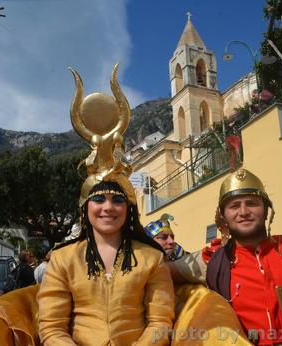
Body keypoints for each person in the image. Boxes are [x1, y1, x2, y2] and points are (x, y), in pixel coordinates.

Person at [37, 64, 175, 346]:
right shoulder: (63, 260)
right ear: (85, 208)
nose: (108, 207)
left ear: (129, 208)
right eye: (98, 199)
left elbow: (160, 323)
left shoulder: (152, 258)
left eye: (117, 200)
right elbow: (51, 329)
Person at [169, 168, 282, 345]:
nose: (244, 211)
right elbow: (158, 273)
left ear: (266, 209)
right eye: (234, 206)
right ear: (223, 216)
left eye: (252, 203)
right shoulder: (212, 261)